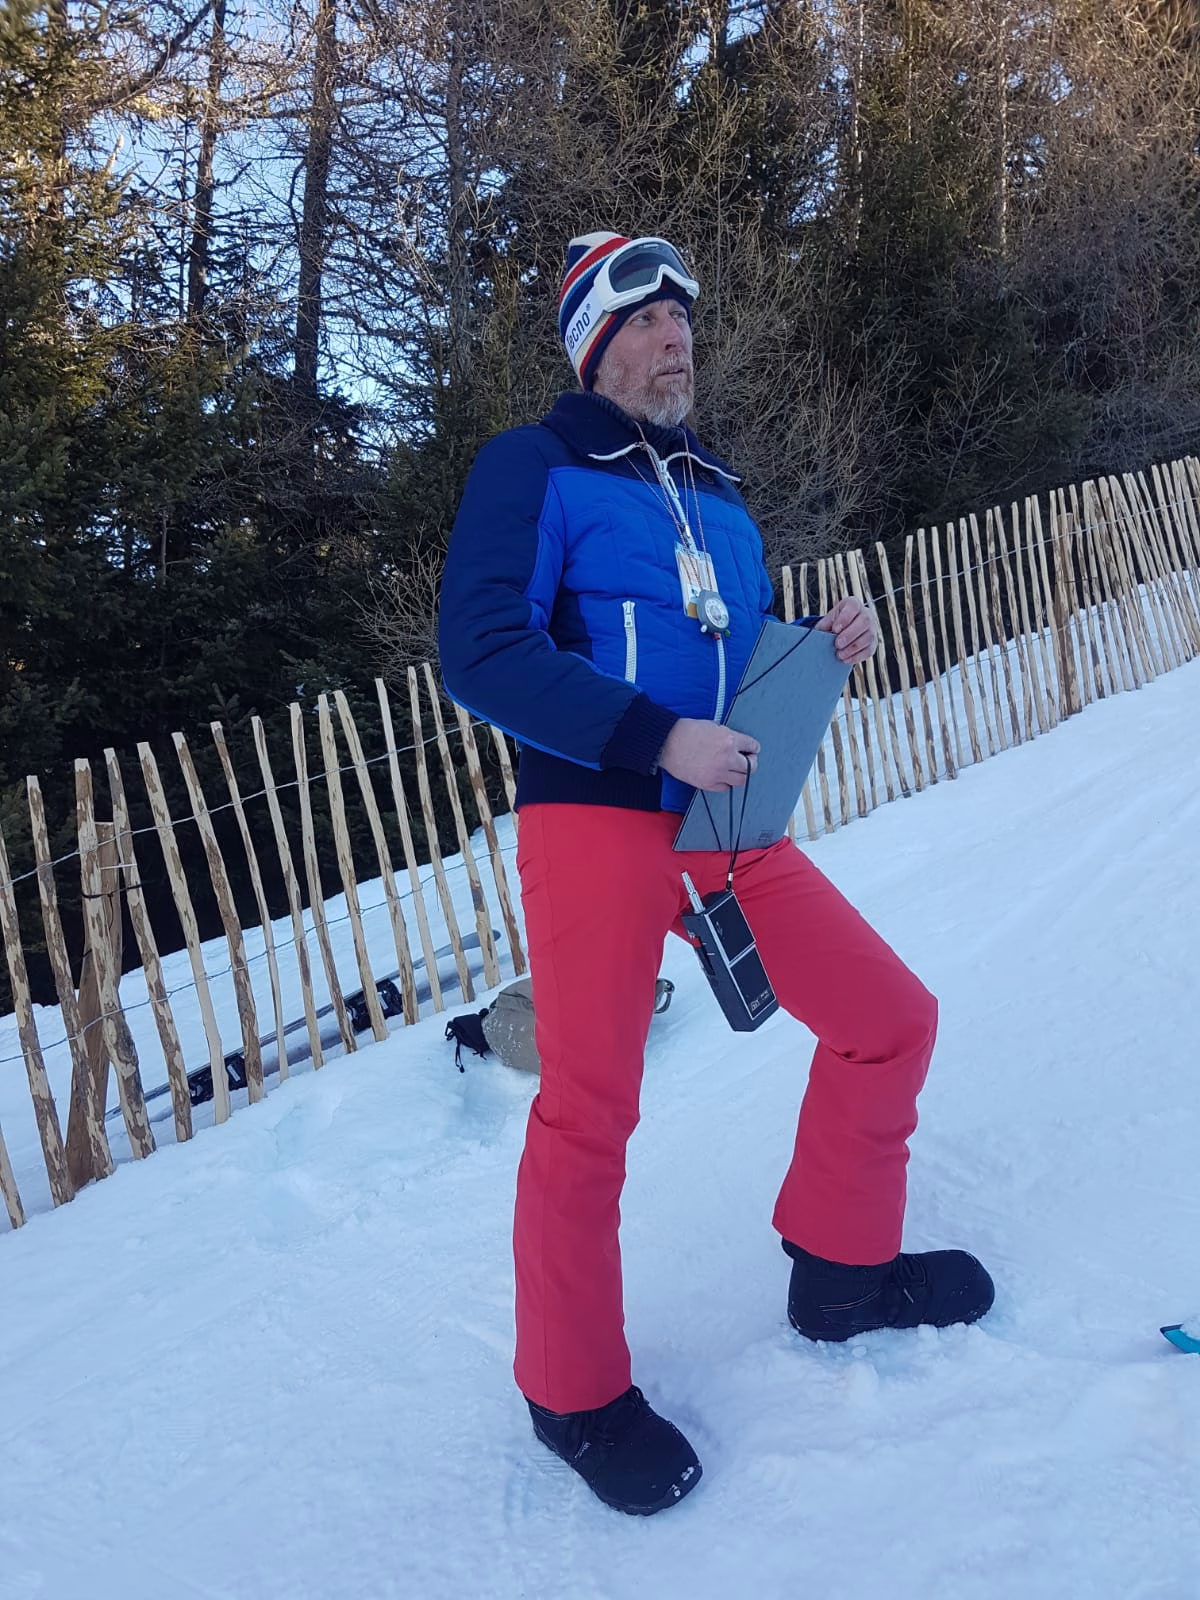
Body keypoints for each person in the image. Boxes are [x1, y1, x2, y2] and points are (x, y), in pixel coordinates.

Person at [438, 232, 994, 1517]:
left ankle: (843, 1275)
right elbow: (481, 649)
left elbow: (722, 655)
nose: (674, 333)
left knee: (888, 1018)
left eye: (682, 315)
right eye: (643, 317)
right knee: (589, 1107)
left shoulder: (720, 491)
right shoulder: (535, 464)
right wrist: (653, 738)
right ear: (594, 345)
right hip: (596, 818)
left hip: (730, 827)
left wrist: (815, 643)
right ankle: (572, 1395)